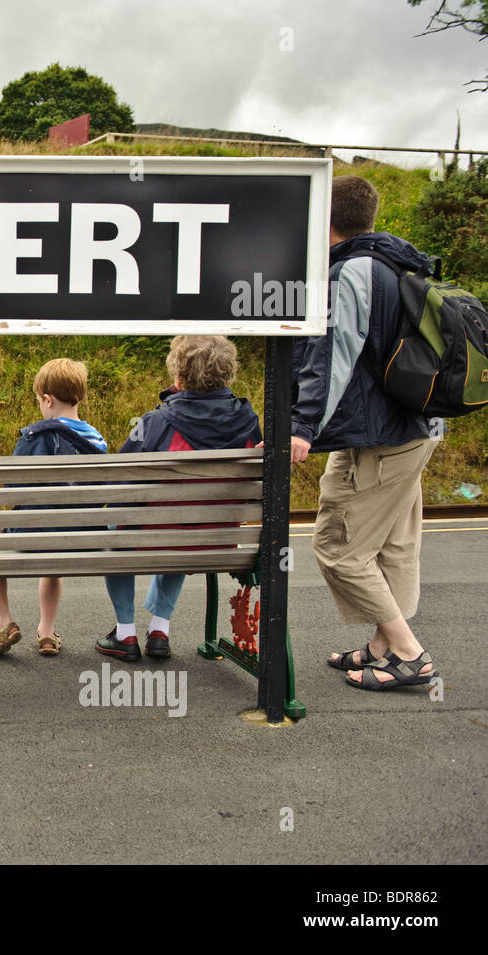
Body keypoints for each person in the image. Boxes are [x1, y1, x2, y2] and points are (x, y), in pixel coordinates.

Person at [292, 175, 440, 691]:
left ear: (323, 218)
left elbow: (334, 356)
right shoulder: (399, 262)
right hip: (413, 428)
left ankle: (408, 653)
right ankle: (381, 648)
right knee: (393, 546)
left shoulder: (348, 273)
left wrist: (302, 425)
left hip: (380, 436)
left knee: (340, 547)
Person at [95, 335, 261, 662]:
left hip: (158, 538)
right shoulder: (249, 421)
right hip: (217, 541)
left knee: (120, 525)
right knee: (184, 524)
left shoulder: (156, 422)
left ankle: (126, 633)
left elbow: (119, 484)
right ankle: (159, 629)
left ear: (179, 375)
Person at [0, 358, 107, 659]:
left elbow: (14, 487)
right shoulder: (98, 440)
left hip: (34, 532)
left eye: (39, 400)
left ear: (47, 400)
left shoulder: (35, 436)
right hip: (83, 537)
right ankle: (47, 633)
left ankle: (4, 623)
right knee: (54, 560)